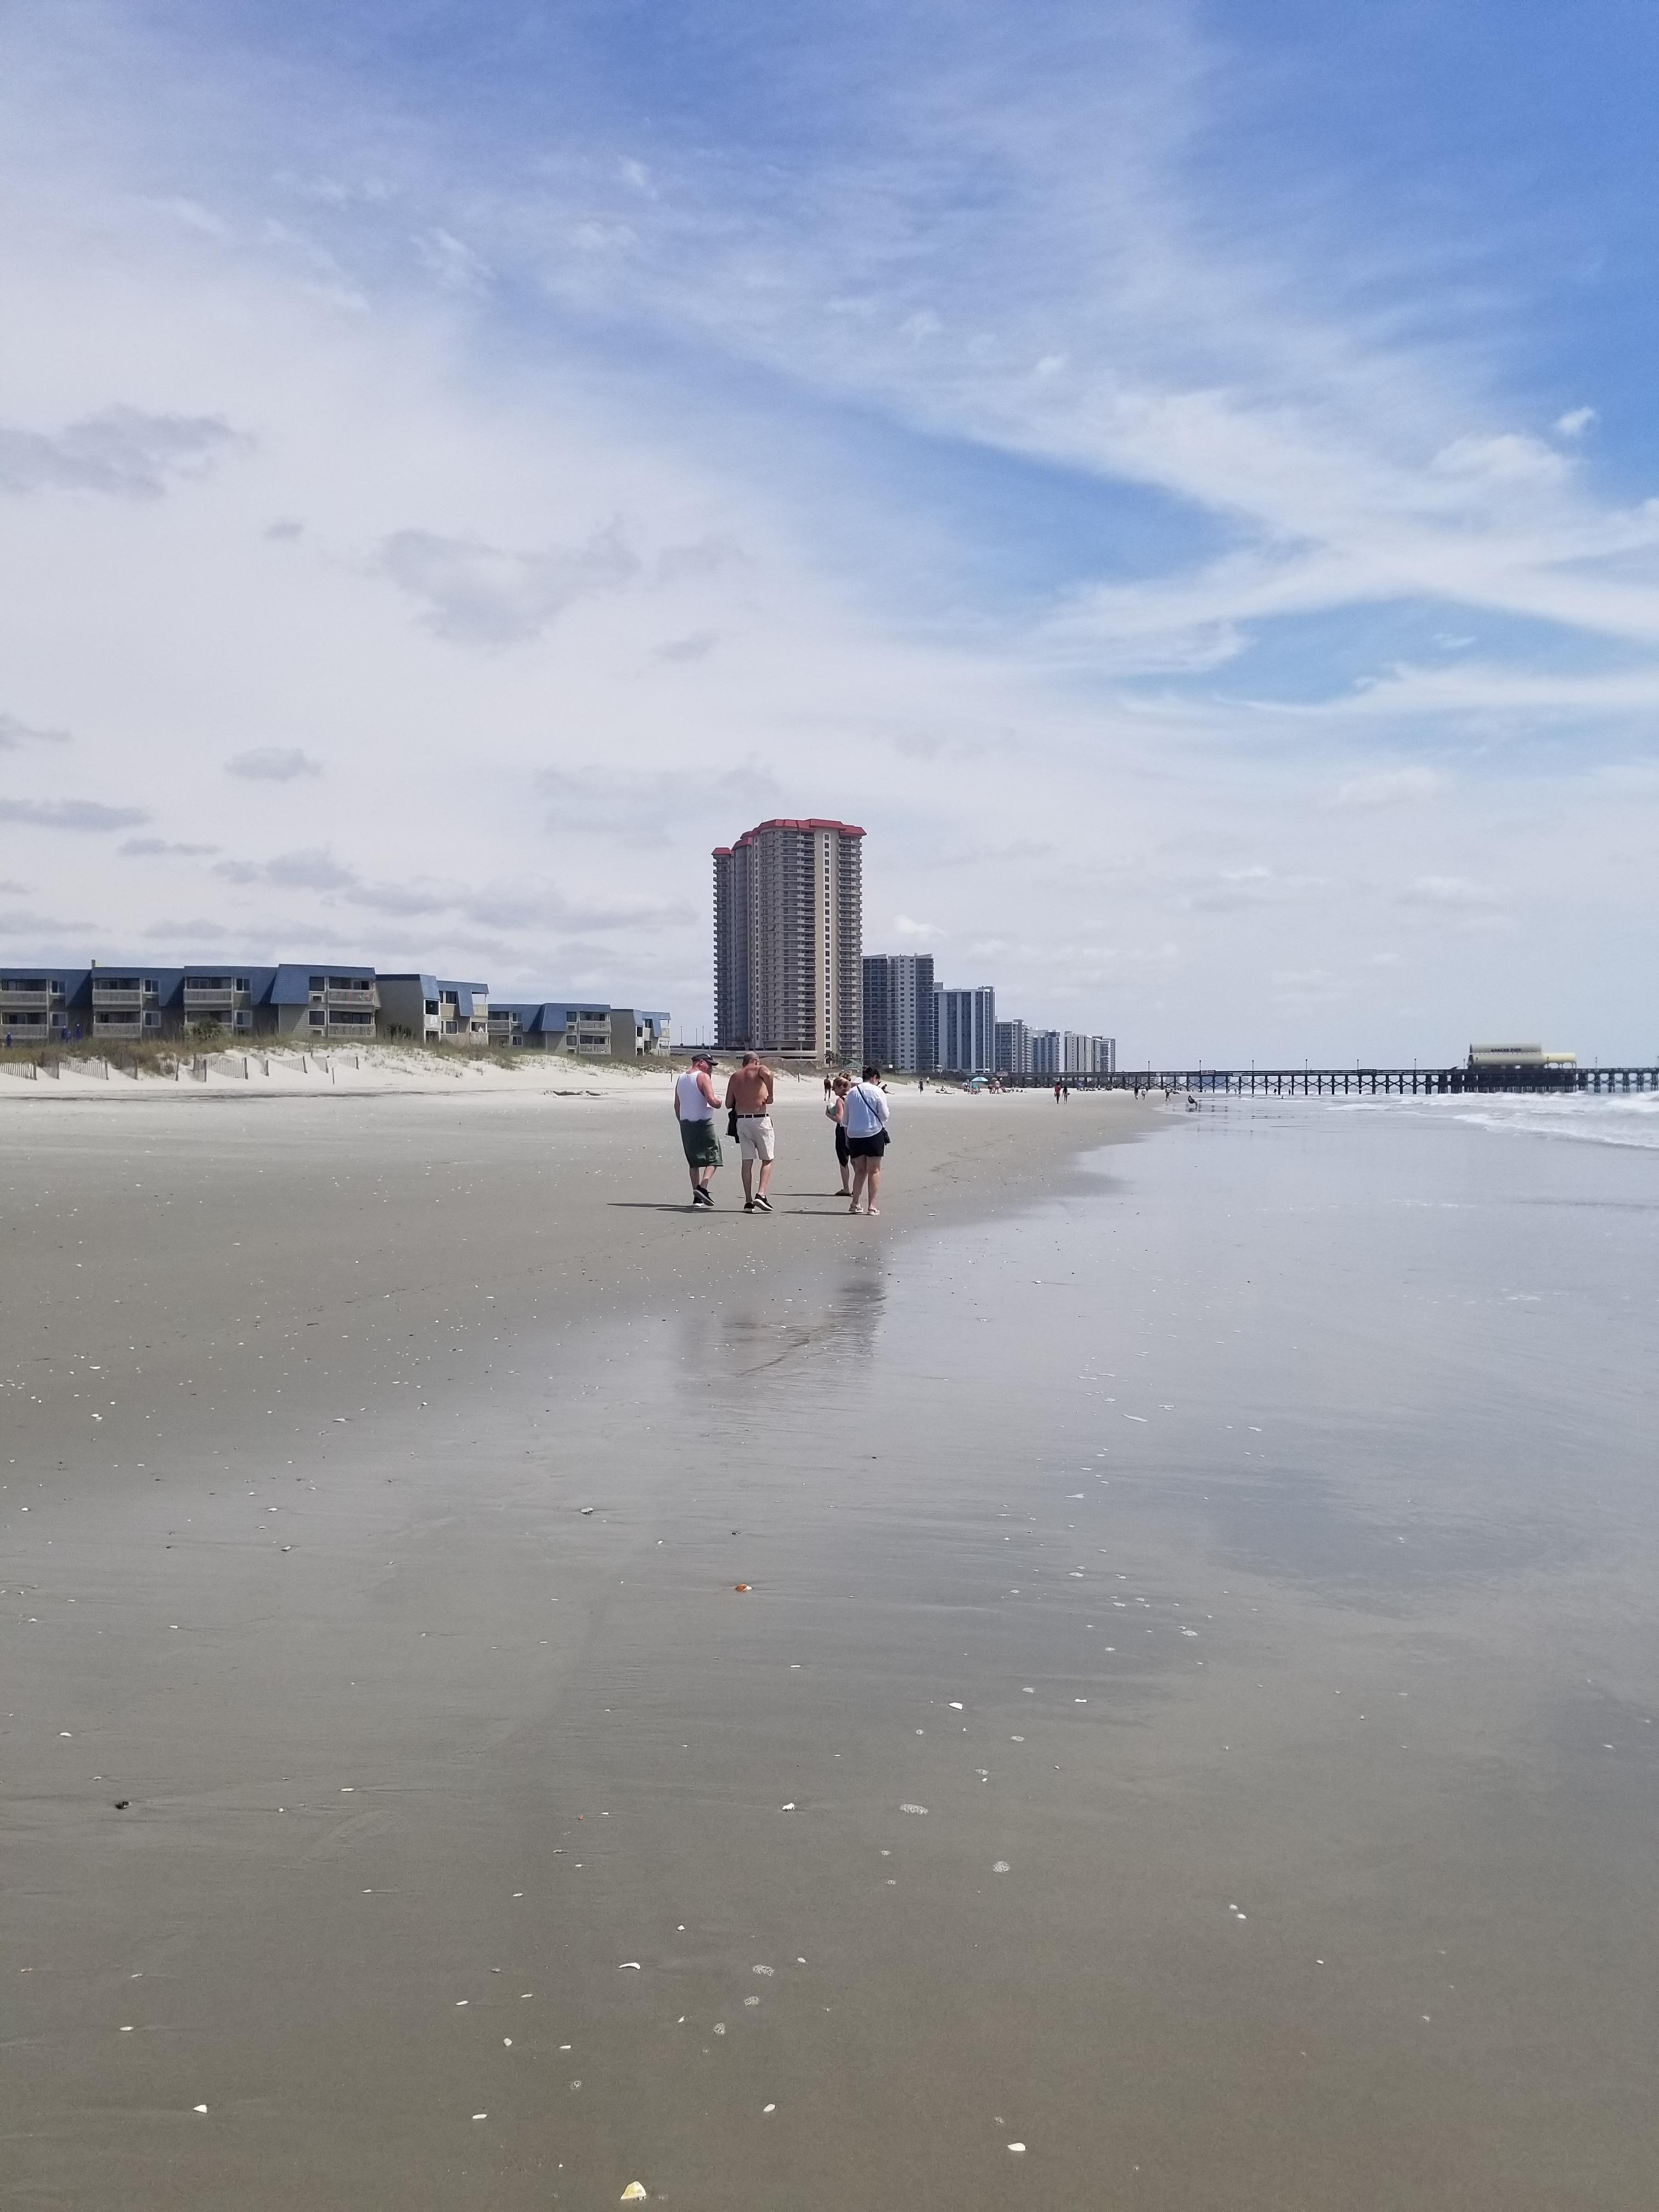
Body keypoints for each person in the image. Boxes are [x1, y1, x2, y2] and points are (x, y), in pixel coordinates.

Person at [726, 1051, 776, 1212]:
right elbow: (768, 1074)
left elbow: (728, 1104)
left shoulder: (735, 1076)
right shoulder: (759, 1069)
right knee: (767, 1159)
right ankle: (761, 1194)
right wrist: (771, 1096)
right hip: (760, 1118)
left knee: (747, 1162)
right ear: (756, 1061)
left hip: (742, 1121)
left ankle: (748, 1202)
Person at [673, 1054, 724, 1206]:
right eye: (709, 1065)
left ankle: (697, 1198)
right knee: (715, 1157)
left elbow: (677, 1104)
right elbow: (712, 1101)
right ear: (701, 1063)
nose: (711, 1068)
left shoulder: (681, 1078)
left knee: (694, 1161)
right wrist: (719, 1102)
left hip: (686, 1124)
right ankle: (703, 1188)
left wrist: (681, 1121)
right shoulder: (702, 1077)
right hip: (703, 1124)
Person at [844, 1063, 890, 1216]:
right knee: (874, 1170)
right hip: (873, 1133)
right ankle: (871, 1206)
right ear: (875, 1078)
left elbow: (845, 1119)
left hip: (855, 1135)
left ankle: (855, 1203)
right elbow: (884, 1115)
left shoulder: (851, 1093)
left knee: (860, 1170)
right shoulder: (877, 1091)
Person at [828, 1071, 853, 1197]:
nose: (833, 1091)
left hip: (843, 1131)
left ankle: (846, 1188)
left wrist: (828, 1115)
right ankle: (857, 1187)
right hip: (855, 1130)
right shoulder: (853, 1097)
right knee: (856, 1161)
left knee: (844, 1161)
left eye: (834, 1088)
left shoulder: (840, 1100)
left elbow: (839, 1118)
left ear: (841, 1087)